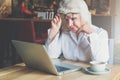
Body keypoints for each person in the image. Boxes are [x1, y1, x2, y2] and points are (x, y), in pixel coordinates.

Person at [45, 0, 109, 63]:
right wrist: (53, 32)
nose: (69, 24)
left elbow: (101, 60)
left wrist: (91, 34)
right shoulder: (65, 33)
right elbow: (51, 56)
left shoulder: (100, 33)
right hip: (71, 72)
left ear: (84, 16)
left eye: (73, 18)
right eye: (67, 19)